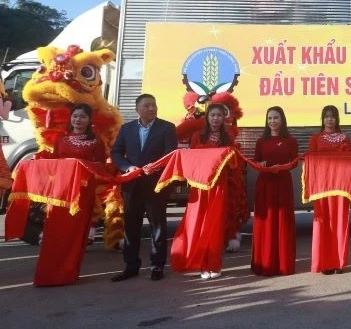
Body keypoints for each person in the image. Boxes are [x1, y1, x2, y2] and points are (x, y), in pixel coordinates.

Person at [31, 104, 107, 286]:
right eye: (75, 116)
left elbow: (101, 165)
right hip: (61, 191)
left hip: (82, 192)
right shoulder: (61, 139)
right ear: (70, 119)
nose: (78, 120)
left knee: (75, 233)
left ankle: (68, 273)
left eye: (82, 117)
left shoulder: (96, 141)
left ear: (89, 120)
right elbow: (54, 163)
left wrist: (81, 165)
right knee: (56, 230)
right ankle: (48, 275)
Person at [110, 94, 178, 282]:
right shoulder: (126, 129)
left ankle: (157, 265)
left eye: (154, 105)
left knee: (157, 226)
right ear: (137, 109)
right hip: (132, 185)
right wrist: (127, 167)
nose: (151, 109)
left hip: (155, 184)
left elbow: (170, 153)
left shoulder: (166, 128)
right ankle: (131, 265)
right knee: (131, 226)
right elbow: (116, 153)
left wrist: (154, 166)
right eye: (147, 106)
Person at [170, 104, 232, 279]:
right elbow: (191, 160)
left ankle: (214, 264)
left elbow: (233, 163)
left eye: (219, 115)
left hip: (219, 186)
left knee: (215, 224)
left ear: (223, 117)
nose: (216, 118)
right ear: (207, 117)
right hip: (200, 186)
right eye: (212, 115)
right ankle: (202, 264)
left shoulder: (229, 137)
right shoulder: (198, 136)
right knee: (197, 223)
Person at [308, 105, 351, 274]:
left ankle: (339, 262)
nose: (329, 120)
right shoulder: (315, 138)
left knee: (340, 223)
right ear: (322, 119)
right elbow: (310, 162)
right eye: (326, 116)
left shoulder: (345, 138)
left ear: (337, 119)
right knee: (323, 224)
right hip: (322, 189)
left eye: (333, 116)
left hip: (340, 189)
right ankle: (324, 263)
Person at [252, 106, 299, 276]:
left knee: (283, 221)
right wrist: (261, 164)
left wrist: (283, 167)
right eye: (270, 118)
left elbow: (295, 162)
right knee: (265, 223)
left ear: (282, 120)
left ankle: (283, 264)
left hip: (283, 184)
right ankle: (264, 263)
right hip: (265, 184)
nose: (272, 121)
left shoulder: (290, 141)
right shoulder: (261, 141)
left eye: (276, 118)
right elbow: (256, 161)